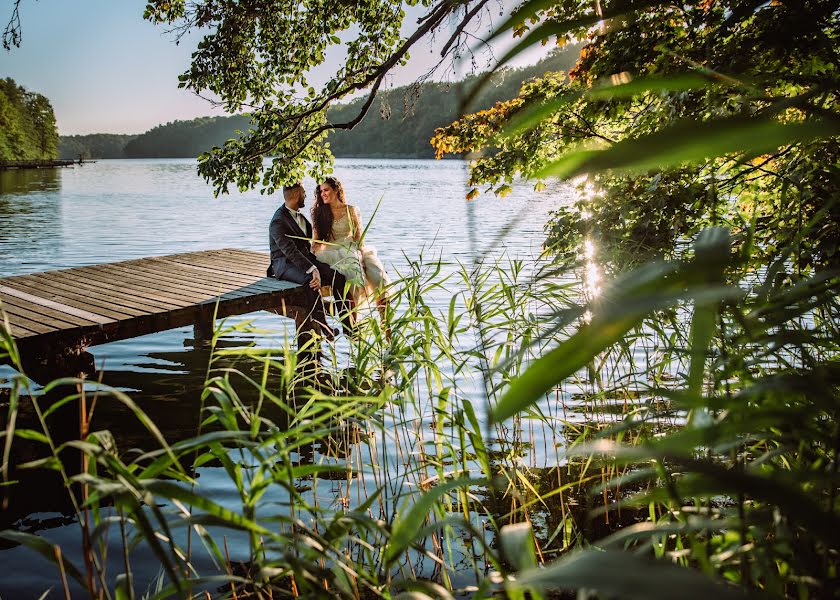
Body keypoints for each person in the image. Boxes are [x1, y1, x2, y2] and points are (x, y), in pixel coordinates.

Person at [268, 182, 355, 338]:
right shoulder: (278, 221)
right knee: (311, 281)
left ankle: (348, 325)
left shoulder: (299, 216)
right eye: (303, 192)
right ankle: (324, 326)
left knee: (338, 276)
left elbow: (308, 244)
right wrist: (312, 269)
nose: (306, 195)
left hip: (305, 260)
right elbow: (290, 251)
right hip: (285, 265)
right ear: (295, 195)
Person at [310, 177, 390, 331]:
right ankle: (352, 326)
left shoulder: (351, 210)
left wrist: (361, 257)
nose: (323, 194)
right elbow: (316, 242)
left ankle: (385, 325)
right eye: (320, 191)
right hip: (331, 251)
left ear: (336, 190)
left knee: (379, 277)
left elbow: (359, 238)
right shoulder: (320, 212)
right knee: (351, 277)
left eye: (326, 190)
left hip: (353, 249)